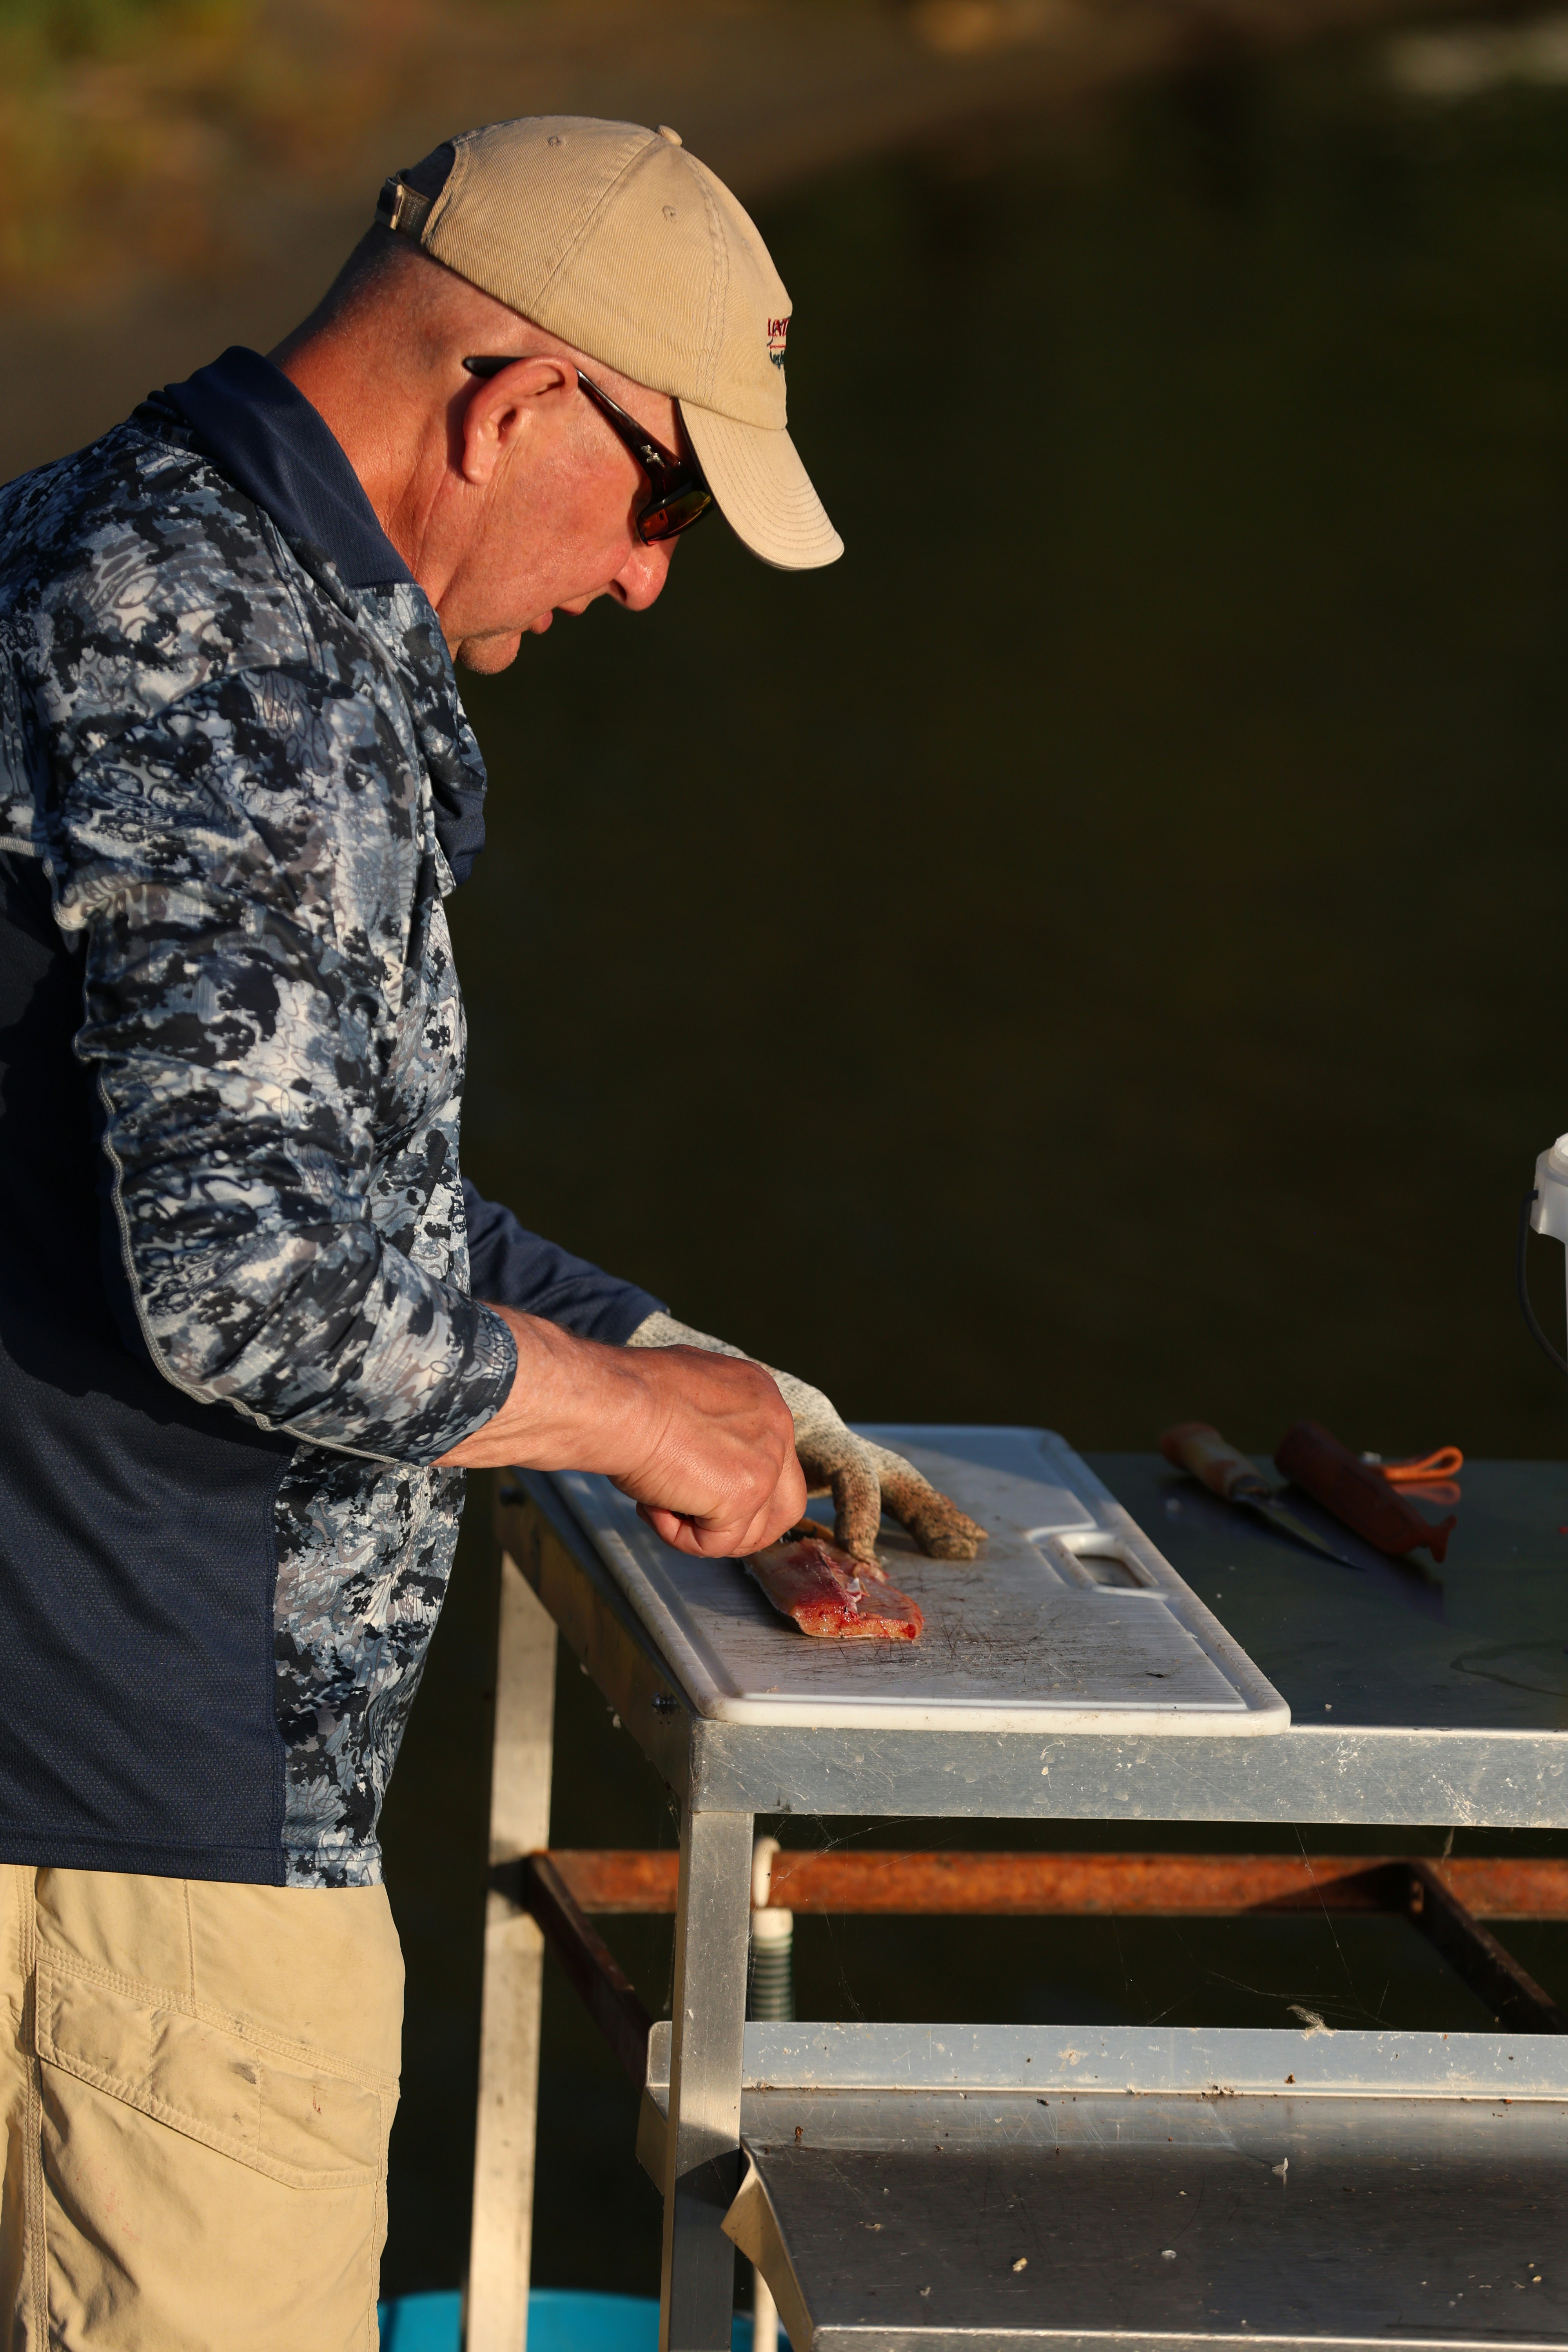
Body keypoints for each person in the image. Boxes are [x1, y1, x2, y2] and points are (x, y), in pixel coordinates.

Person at [0, 116, 982, 2348]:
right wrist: (621, 1418)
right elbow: (247, 1282)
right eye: (659, 506)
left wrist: (660, 1344)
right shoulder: (228, 661)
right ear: (520, 398)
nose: (649, 581)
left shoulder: (100, 538)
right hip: (122, 1868)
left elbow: (248, 1155)